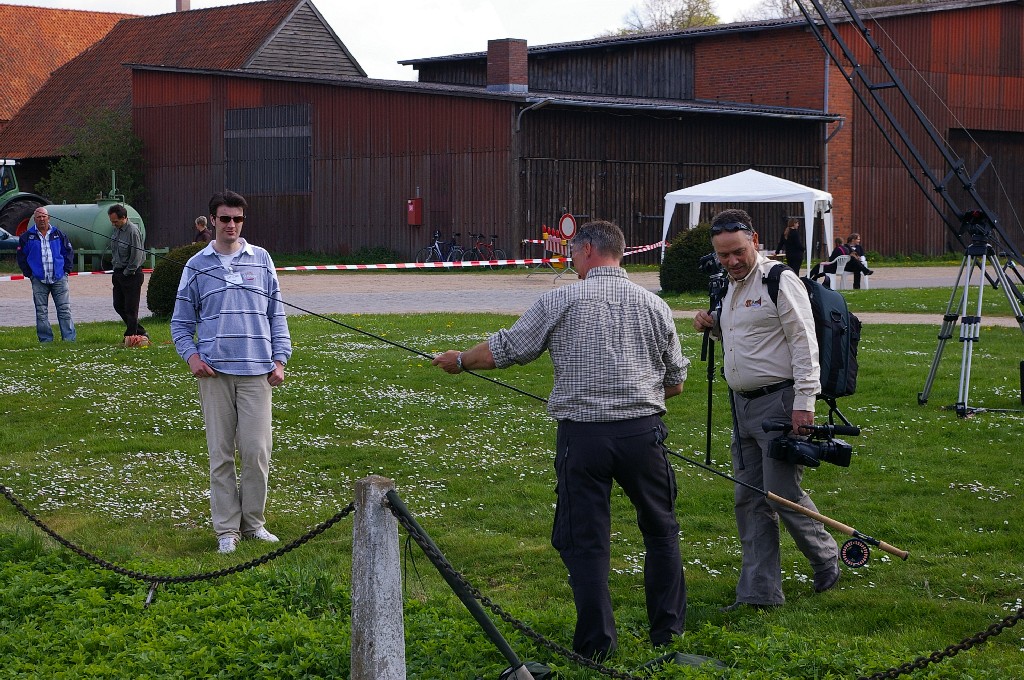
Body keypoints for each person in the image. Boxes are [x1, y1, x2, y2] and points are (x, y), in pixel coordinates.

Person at [432, 220, 689, 661]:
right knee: (661, 532)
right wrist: (634, 397)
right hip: (643, 436)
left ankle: (596, 646)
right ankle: (669, 636)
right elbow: (676, 381)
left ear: (587, 249)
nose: (570, 260)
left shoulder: (560, 299)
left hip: (583, 439)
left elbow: (506, 349)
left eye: (572, 252)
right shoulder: (654, 304)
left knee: (585, 540)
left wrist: (459, 360)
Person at [692, 209, 840, 611]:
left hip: (781, 402)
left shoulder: (779, 279)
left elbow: (803, 342)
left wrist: (804, 405)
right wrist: (713, 323)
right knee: (749, 498)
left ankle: (826, 556)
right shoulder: (728, 286)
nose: (731, 261)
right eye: (723, 255)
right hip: (741, 404)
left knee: (781, 494)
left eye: (737, 252)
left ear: (754, 240)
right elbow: (747, 332)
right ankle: (759, 595)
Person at [170, 190, 292, 554]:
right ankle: (227, 529)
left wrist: (280, 359)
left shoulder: (262, 259)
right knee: (220, 454)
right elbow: (180, 323)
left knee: (256, 452)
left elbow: (277, 313)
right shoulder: (196, 265)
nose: (232, 225)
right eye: (225, 219)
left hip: (258, 372)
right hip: (215, 375)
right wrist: (192, 358)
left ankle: (253, 523)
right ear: (212, 222)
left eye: (237, 219)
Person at [16, 206, 76, 342]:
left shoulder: (58, 234)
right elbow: (21, 257)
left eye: (44, 216)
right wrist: (29, 274)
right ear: (35, 219)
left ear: (49, 218)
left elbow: (68, 252)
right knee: (41, 312)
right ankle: (46, 340)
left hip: (59, 278)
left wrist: (66, 271)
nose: (42, 219)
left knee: (64, 309)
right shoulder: (27, 237)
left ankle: (69, 339)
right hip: (38, 279)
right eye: (39, 217)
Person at [108, 204, 148, 341]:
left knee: (131, 308)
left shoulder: (133, 231)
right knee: (118, 305)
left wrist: (127, 272)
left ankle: (130, 336)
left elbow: (137, 255)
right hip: (118, 273)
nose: (113, 224)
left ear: (124, 218)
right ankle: (140, 331)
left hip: (131, 274)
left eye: (116, 221)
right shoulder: (117, 230)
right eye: (112, 221)